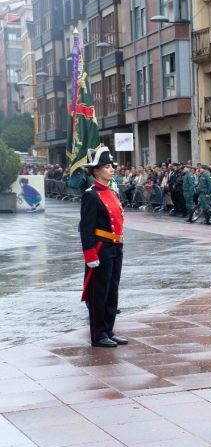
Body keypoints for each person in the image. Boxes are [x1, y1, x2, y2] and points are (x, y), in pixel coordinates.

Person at [79, 146, 127, 348]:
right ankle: (98, 334)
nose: (112, 169)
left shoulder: (113, 192)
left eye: (112, 166)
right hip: (101, 247)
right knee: (100, 291)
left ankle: (108, 329)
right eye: (107, 167)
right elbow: (86, 228)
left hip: (115, 246)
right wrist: (90, 254)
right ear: (97, 170)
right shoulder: (91, 195)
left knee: (112, 290)